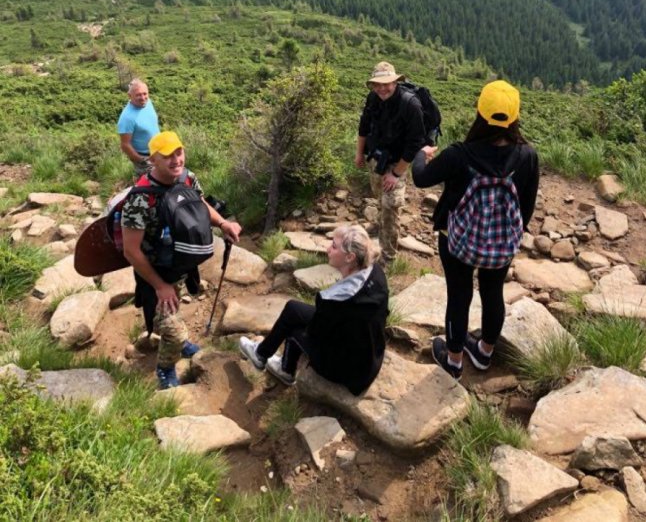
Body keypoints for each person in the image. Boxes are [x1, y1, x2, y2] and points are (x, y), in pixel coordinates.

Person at [412, 80, 539, 380]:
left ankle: (454, 360)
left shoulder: (459, 154)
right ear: (515, 116)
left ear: (479, 112)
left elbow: (421, 178)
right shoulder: (527, 156)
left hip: (457, 240)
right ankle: (483, 352)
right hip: (502, 243)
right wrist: (511, 235)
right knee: (493, 292)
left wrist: (422, 154)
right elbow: (527, 206)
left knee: (459, 295)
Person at [121, 130, 241, 389]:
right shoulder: (140, 199)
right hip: (156, 272)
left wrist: (222, 223)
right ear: (153, 159)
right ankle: (165, 369)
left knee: (175, 311)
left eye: (179, 152)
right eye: (168, 156)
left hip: (181, 263)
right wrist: (159, 286)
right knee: (172, 328)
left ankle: (179, 341)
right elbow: (131, 251)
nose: (176, 160)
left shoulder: (187, 178)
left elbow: (199, 203)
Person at [239, 224, 388, 395]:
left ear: (350, 257)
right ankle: (261, 354)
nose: (327, 249)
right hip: (370, 354)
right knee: (294, 309)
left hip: (348, 371)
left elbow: (315, 335)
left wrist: (294, 330)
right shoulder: (375, 272)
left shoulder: (336, 299)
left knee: (294, 330)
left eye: (334, 246)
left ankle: (284, 370)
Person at [355, 61, 426, 262]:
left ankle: (388, 257)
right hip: (376, 158)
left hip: (397, 163)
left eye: (386, 83)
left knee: (391, 206)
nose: (382, 88)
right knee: (380, 198)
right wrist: (359, 153)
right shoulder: (373, 98)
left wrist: (396, 173)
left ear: (395, 82)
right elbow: (364, 127)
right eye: (377, 84)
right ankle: (382, 226)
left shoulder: (410, 104)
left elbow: (415, 143)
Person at [117, 79, 160, 179]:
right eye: (138, 95)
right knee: (153, 185)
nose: (143, 98)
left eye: (145, 94)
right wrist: (142, 160)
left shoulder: (148, 102)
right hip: (145, 156)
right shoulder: (127, 117)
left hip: (159, 151)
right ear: (130, 95)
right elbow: (125, 145)